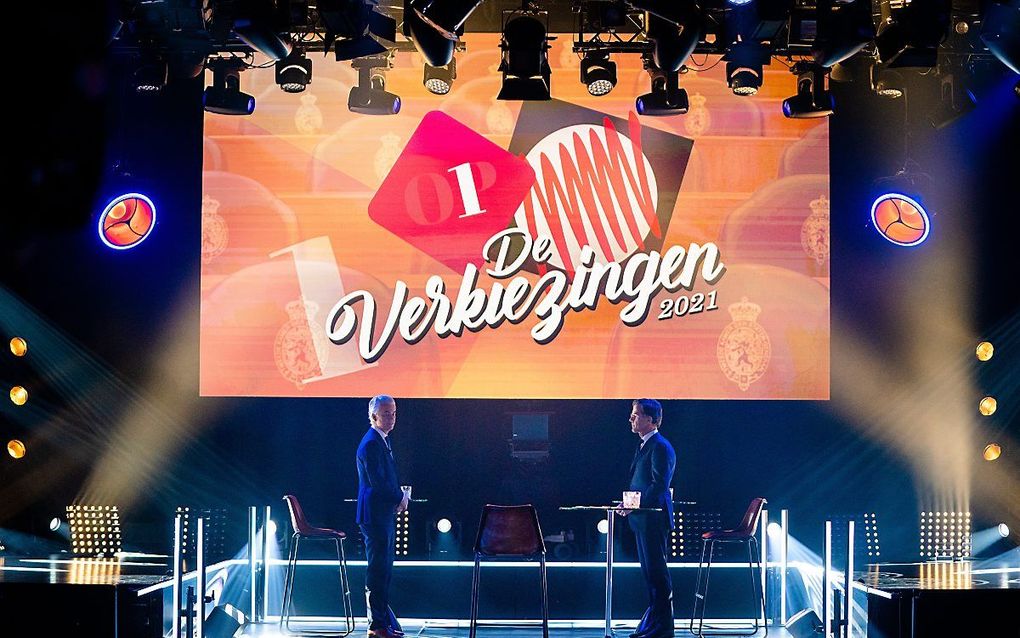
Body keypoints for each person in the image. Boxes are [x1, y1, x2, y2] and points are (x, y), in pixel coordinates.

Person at [617, 398, 676, 638]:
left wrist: (634, 505)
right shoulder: (644, 445)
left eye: (636, 414)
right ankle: (653, 625)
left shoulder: (660, 446)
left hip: (653, 519)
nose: (631, 418)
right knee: (650, 576)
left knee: (657, 575)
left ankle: (662, 628)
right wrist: (628, 505)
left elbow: (659, 485)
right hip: (643, 519)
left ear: (651, 420)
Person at [356, 395, 410, 638]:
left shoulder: (381, 441)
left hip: (381, 512)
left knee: (384, 568)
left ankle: (383, 622)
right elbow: (379, 483)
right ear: (374, 416)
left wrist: (397, 499)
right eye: (386, 413)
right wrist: (400, 498)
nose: (391, 418)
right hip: (374, 514)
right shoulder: (371, 444)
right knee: (378, 569)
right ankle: (377, 625)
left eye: (394, 413)